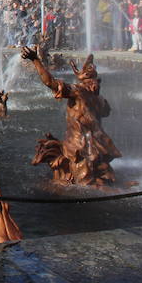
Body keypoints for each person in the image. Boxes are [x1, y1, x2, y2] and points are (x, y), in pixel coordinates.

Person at [21, 47, 120, 186]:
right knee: (92, 180)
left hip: (88, 148)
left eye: (95, 81)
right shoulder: (88, 95)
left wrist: (35, 59)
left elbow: (50, 82)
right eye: (92, 81)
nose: (95, 84)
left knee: (91, 182)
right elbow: (50, 82)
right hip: (88, 148)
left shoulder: (89, 95)